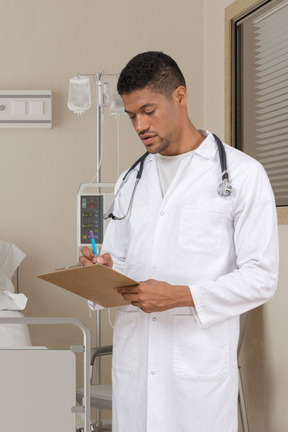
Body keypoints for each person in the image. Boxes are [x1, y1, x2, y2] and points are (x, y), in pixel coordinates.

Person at [80, 51, 279, 432]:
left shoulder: (242, 175)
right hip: (135, 370)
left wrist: (182, 295)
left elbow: (261, 277)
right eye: (131, 115)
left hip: (197, 375)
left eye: (148, 111)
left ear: (180, 97)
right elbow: (118, 262)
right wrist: (100, 273)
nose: (139, 125)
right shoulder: (129, 181)